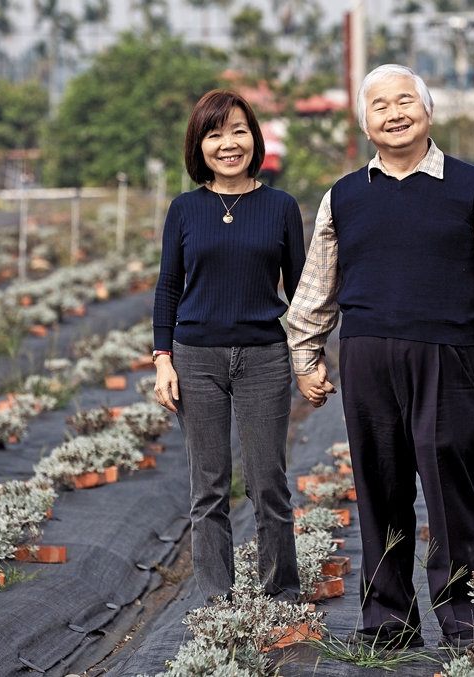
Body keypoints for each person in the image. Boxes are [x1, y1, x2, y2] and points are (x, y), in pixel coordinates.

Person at [286, 64, 474, 651]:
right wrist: (307, 355)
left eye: (406, 102)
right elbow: (316, 286)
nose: (394, 114)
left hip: (448, 354)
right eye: (380, 106)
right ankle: (388, 622)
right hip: (367, 354)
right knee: (379, 484)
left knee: (452, 481)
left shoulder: (471, 187)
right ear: (365, 122)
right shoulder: (344, 195)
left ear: (428, 112)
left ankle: (465, 617)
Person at [153, 89, 305, 604]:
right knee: (209, 489)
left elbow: (302, 290)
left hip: (264, 356)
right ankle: (220, 604)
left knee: (268, 484)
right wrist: (162, 359)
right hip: (196, 359)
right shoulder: (185, 209)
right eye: (214, 134)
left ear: (254, 137)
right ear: (200, 145)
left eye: (238, 130)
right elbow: (168, 288)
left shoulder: (281, 207)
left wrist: (310, 357)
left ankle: (280, 598)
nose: (228, 143)